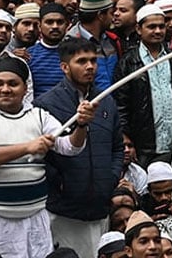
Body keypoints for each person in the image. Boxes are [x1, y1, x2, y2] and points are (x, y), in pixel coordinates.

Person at [0, 55, 92, 258]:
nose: (5, 89)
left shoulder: (39, 116)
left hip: (34, 218)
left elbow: (69, 147)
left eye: (13, 84)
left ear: (25, 88)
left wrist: (82, 125)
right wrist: (28, 147)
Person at [34, 38, 123, 257]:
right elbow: (43, 157)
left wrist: (109, 178)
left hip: (100, 206)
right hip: (64, 211)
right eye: (81, 61)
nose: (90, 66)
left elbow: (117, 148)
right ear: (65, 67)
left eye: (93, 60)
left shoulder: (107, 102)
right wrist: (61, 186)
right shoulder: (46, 104)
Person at [114, 4, 172, 165]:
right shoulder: (128, 62)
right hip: (143, 145)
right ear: (138, 29)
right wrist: (127, 139)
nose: (157, 31)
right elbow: (121, 104)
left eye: (161, 27)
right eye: (151, 27)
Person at [65, 0, 120, 91]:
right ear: (100, 16)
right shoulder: (70, 42)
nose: (113, 17)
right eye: (111, 13)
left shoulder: (112, 39)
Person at [28, 3, 69, 98]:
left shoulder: (75, 53)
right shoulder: (28, 55)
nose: (55, 26)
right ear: (39, 25)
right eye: (49, 22)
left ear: (67, 25)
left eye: (60, 22)